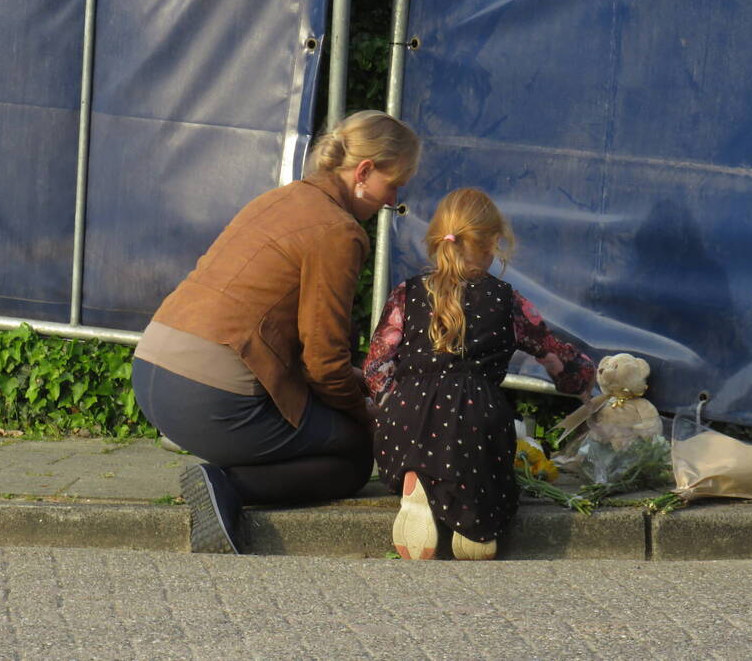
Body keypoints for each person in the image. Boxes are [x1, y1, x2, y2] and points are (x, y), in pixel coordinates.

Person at [132, 110, 420, 554]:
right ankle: (226, 484)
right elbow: (323, 363)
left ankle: (223, 472)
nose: (393, 199)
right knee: (353, 454)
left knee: (324, 421)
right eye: (394, 183)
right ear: (363, 172)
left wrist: (354, 381)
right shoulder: (339, 232)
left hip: (152, 373)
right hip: (210, 400)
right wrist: (369, 415)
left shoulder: (279, 199)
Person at [363, 188, 595, 560]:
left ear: (438, 240)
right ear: (492, 244)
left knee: (419, 438)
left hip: (404, 424)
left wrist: (398, 405)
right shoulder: (506, 299)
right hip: (475, 420)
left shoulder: (407, 293)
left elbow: (376, 367)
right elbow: (555, 356)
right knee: (482, 465)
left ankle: (417, 480)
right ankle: (476, 523)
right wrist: (582, 378)